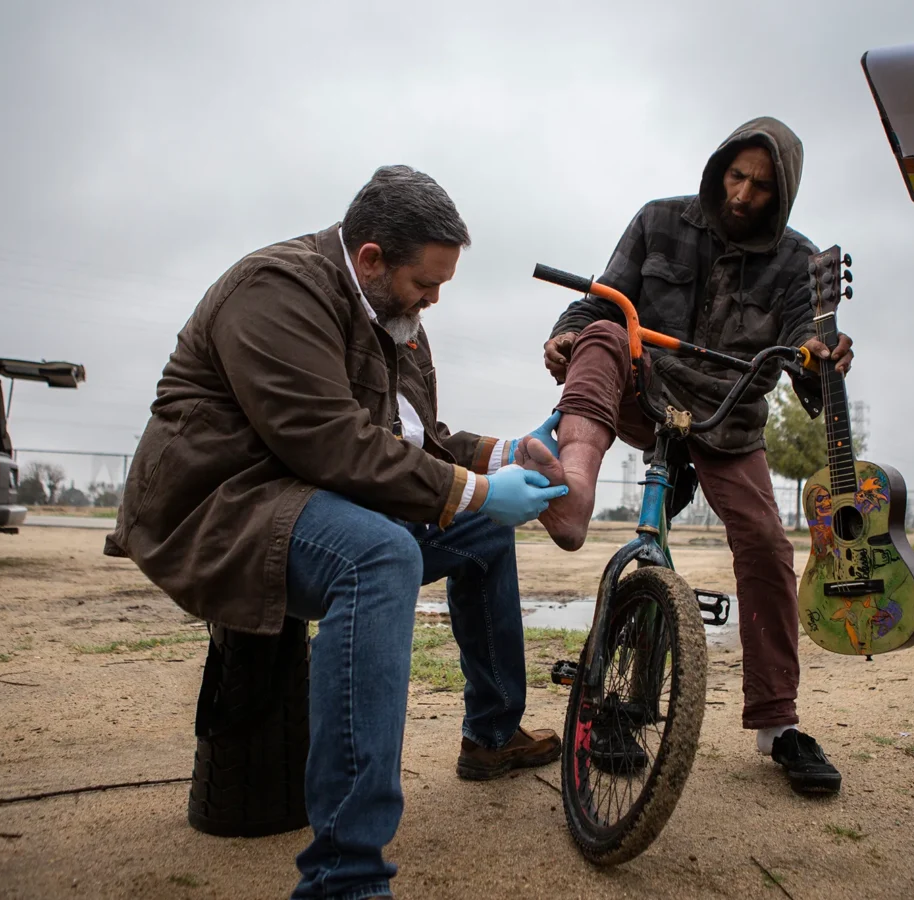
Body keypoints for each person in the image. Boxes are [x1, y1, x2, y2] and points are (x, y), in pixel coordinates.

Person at [105, 165, 568, 900]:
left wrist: (500, 454)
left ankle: (490, 734)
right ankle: (344, 875)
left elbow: (415, 437)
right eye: (426, 282)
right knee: (378, 557)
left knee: (480, 535)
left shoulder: (397, 323)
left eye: (443, 284)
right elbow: (326, 439)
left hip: (308, 493)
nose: (435, 299)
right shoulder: (276, 290)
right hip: (224, 502)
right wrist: (475, 490)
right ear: (371, 258)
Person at [529, 117, 854, 795]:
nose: (742, 194)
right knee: (603, 330)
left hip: (726, 418)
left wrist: (820, 359)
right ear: (718, 169)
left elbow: (804, 355)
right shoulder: (659, 220)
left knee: (767, 544)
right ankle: (578, 482)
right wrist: (566, 334)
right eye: (736, 176)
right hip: (644, 392)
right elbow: (601, 297)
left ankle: (779, 724)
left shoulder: (799, 263)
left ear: (782, 194)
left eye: (761, 187)